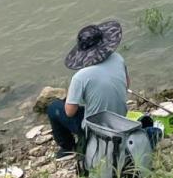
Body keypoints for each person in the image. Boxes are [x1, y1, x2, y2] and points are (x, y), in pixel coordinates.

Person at [47, 20, 129, 156]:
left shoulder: (80, 77)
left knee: (53, 108)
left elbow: (69, 112)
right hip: (121, 119)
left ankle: (68, 148)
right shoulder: (118, 58)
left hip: (96, 130)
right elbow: (127, 84)